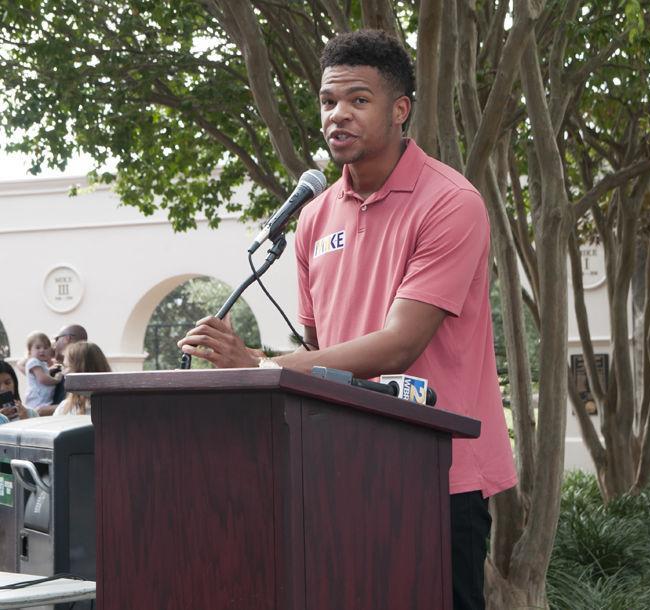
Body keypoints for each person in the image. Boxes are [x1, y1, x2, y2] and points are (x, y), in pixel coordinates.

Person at [178, 29, 517, 609]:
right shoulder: (312, 219)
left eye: (359, 100)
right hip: (342, 468)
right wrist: (268, 370)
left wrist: (260, 362)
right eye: (329, 101)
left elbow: (395, 348)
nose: (339, 115)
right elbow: (322, 353)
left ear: (400, 110)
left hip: (438, 473)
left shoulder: (449, 203)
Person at [53, 342, 111, 416]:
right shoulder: (65, 407)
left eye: (66, 366)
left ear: (82, 370)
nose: (63, 372)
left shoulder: (114, 408)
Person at [23, 331, 63, 409]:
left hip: (43, 400)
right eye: (38, 347)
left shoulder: (41, 363)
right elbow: (42, 379)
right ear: (30, 350)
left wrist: (50, 371)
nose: (42, 350)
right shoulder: (33, 361)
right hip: (38, 401)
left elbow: (44, 373)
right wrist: (57, 380)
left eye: (45, 347)